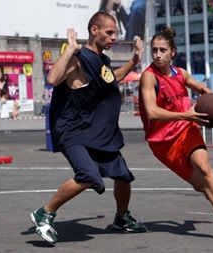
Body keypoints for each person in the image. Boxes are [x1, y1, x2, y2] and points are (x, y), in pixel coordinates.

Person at [30, 12, 147, 244]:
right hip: (73, 131)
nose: (114, 37)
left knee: (122, 175)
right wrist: (70, 49)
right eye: (109, 32)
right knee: (89, 175)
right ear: (94, 30)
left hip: (96, 131)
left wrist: (134, 61)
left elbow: (112, 78)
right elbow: (53, 79)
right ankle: (45, 212)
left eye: (115, 33)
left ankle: (122, 217)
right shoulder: (80, 56)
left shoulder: (101, 60)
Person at [138, 26, 213, 243]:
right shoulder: (149, 77)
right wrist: (185, 115)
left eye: (162, 50)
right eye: (154, 50)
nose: (157, 54)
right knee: (199, 184)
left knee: (204, 167)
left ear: (172, 52)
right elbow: (151, 111)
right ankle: (210, 196)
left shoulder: (180, 73)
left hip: (186, 129)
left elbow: (202, 88)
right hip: (163, 143)